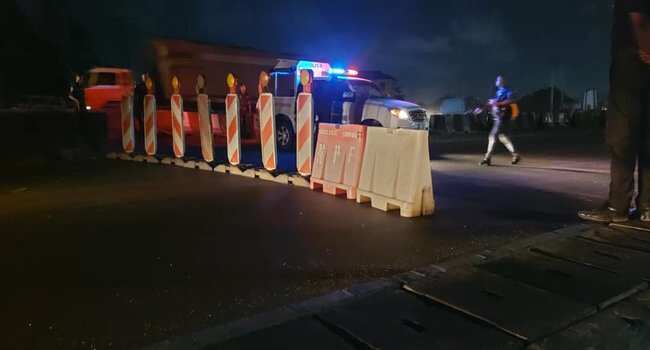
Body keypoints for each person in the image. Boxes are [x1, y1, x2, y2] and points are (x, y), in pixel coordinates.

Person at [579, 0, 650, 223]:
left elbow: (638, 18)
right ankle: (647, 207)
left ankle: (617, 207)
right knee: (647, 139)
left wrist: (646, 48)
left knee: (621, 138)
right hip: (641, 70)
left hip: (631, 67)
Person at [479, 75, 521, 166]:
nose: (496, 80)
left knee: (492, 136)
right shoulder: (498, 92)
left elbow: (510, 101)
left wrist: (496, 103)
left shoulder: (507, 91)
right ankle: (515, 155)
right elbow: (493, 103)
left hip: (502, 118)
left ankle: (487, 158)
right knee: (502, 137)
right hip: (498, 118)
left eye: (498, 79)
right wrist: (483, 108)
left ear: (503, 81)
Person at [133, 73, 148, 142]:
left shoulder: (144, 85)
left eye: (144, 77)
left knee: (142, 118)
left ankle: (142, 131)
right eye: (143, 77)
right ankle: (141, 130)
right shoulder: (140, 86)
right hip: (140, 105)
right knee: (140, 118)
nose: (143, 78)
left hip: (143, 104)